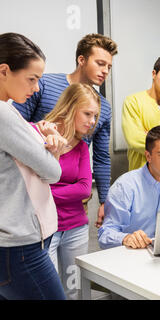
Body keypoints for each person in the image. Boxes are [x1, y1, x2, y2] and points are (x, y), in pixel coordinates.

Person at [13, 33, 118, 228]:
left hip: (73, 200)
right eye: (100, 63)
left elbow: (102, 157)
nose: (105, 71)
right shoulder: (43, 84)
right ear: (82, 60)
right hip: (35, 193)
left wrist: (104, 201)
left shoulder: (104, 107)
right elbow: (15, 124)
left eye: (109, 67)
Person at [0, 32, 67, 300]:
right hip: (20, 249)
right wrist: (55, 151)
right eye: (32, 78)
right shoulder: (3, 114)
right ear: (4, 70)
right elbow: (52, 172)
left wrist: (37, 135)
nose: (37, 88)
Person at [33, 83, 100, 299]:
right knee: (49, 293)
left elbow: (83, 189)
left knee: (75, 289)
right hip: (45, 231)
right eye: (87, 113)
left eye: (95, 116)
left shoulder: (81, 147)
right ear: (71, 107)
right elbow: (30, 182)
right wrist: (42, 191)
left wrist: (44, 193)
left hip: (76, 229)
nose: (92, 122)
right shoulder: (39, 134)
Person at [98, 125, 160, 249]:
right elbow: (105, 234)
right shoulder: (124, 187)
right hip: (133, 255)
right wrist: (126, 238)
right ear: (148, 156)